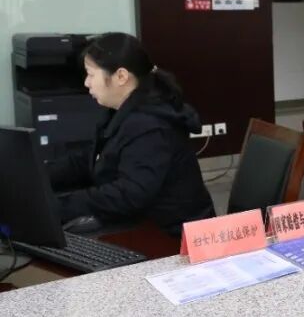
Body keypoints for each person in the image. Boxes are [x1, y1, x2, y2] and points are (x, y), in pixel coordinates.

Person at [48, 32, 216, 234]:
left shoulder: (150, 125)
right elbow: (92, 160)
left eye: (91, 75)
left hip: (172, 237)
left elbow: (129, 195)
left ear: (121, 76)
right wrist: (41, 175)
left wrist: (59, 206)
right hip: (141, 225)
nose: (86, 83)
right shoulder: (120, 111)